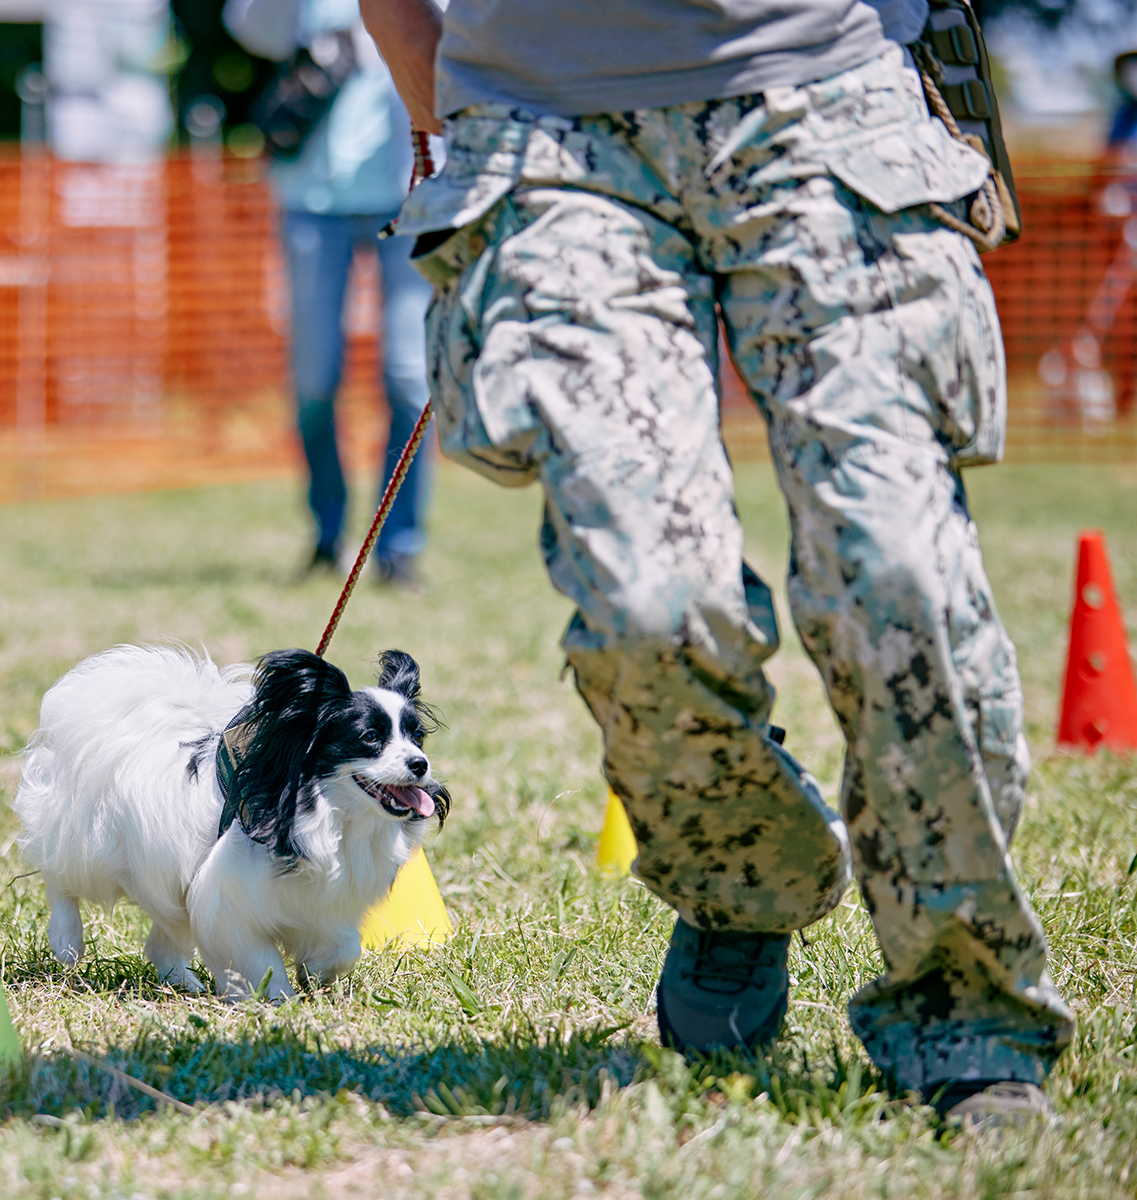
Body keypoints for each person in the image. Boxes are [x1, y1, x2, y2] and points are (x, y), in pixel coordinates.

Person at [362, 0, 1075, 1125]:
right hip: (549, 133)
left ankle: (968, 1012)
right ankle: (743, 878)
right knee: (648, 610)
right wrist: (444, 97)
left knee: (902, 581)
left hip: (827, 103)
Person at [225, 0, 434, 588]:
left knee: (407, 379)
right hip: (310, 203)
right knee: (314, 381)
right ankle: (327, 533)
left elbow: (455, 44)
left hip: (408, 199)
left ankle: (399, 548)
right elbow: (252, 33)